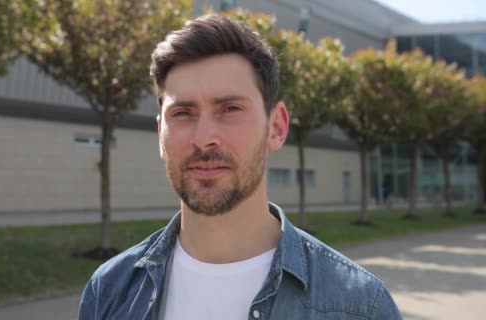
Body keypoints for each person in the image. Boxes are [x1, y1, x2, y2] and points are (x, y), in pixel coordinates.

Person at [78, 14, 402, 320]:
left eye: (230, 108)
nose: (203, 139)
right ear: (160, 133)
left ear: (276, 127)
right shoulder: (109, 290)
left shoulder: (359, 306)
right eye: (183, 113)